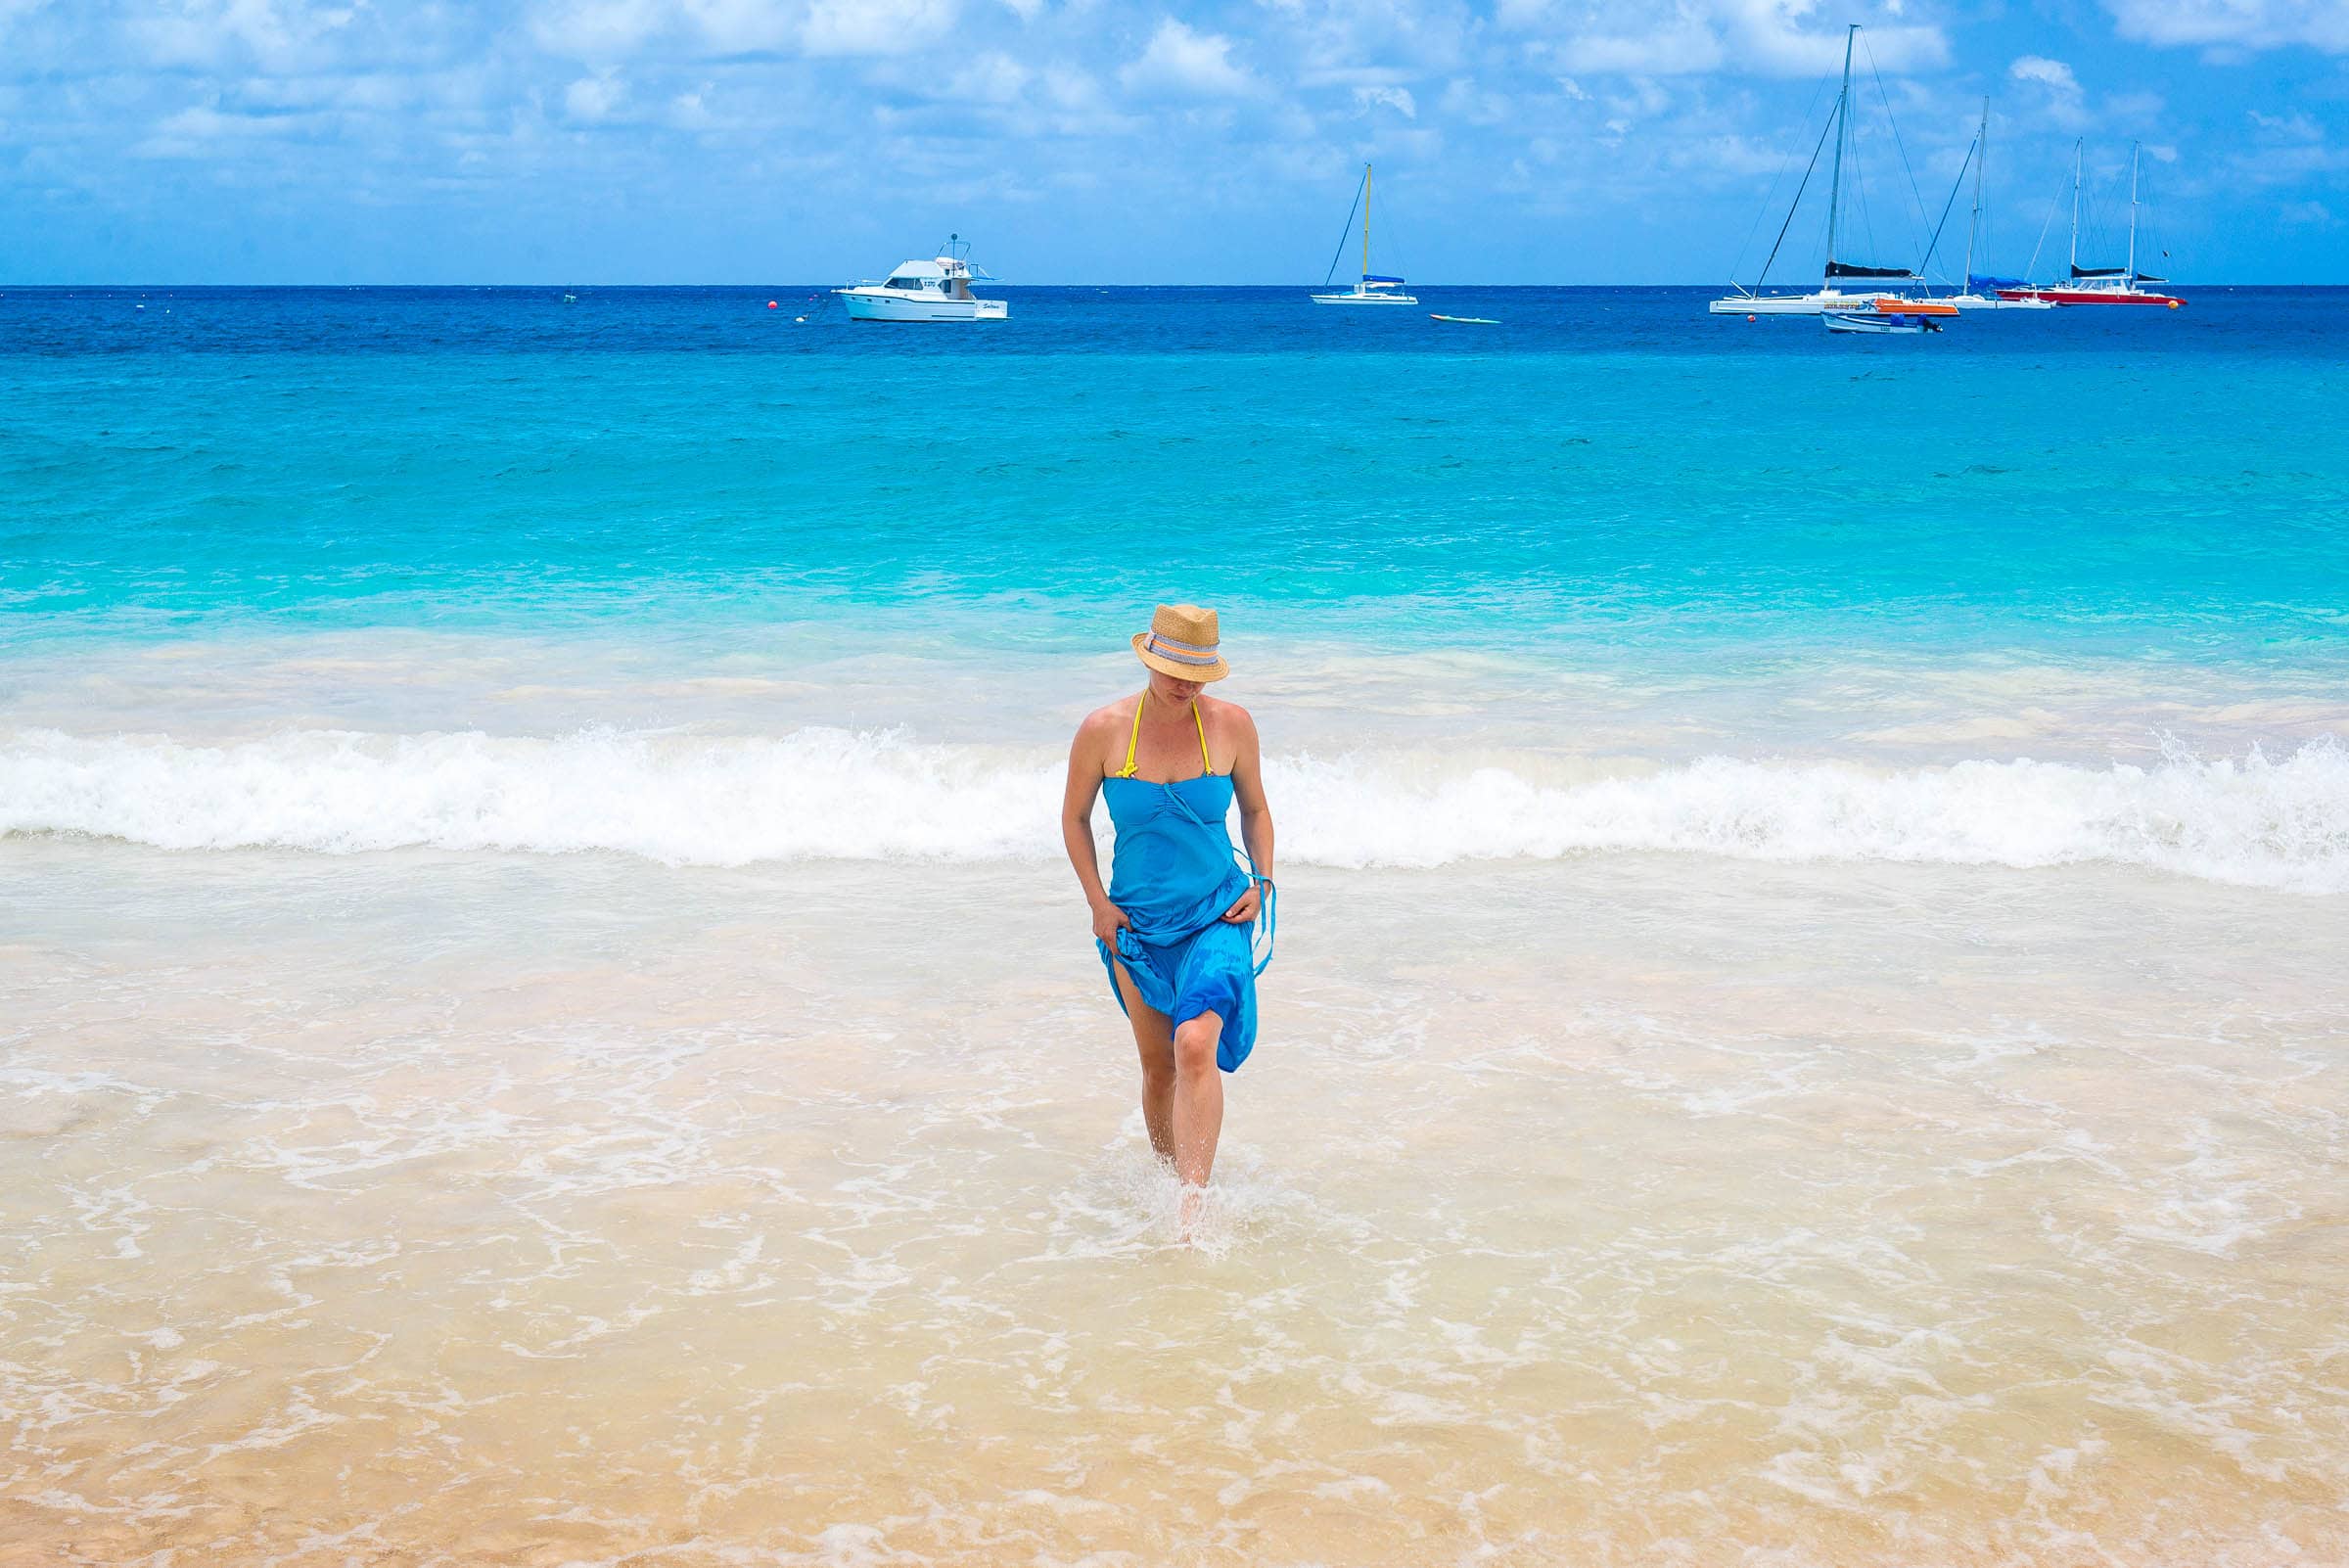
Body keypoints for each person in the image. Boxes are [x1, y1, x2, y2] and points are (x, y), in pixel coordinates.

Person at [1061, 604, 1275, 1213]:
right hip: (1134, 921)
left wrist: (1261, 882)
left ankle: (1191, 1203)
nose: (1186, 684)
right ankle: (1167, 1177)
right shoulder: (1103, 730)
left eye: (1198, 673)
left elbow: (1256, 811)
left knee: (1194, 1046)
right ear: (1150, 660)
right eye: (1176, 669)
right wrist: (1097, 903)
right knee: (1158, 1068)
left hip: (1217, 911)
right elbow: (1074, 819)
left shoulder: (1233, 726)